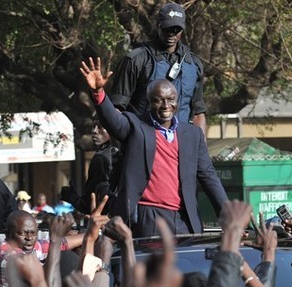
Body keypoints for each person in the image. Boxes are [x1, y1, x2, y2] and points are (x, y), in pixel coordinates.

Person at [80, 57, 228, 237]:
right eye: (159, 100)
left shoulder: (193, 135)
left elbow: (209, 177)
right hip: (147, 216)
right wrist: (98, 93)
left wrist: (229, 220)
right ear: (149, 103)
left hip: (184, 220)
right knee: (152, 265)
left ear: (177, 101)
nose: (166, 105)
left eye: (170, 99)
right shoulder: (135, 126)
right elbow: (114, 122)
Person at [109, 2, 208, 136]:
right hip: (146, 142)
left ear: (183, 30)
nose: (171, 34)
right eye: (167, 28)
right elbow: (116, 109)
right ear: (158, 25)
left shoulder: (194, 64)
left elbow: (198, 113)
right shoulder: (137, 59)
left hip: (181, 143)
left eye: (176, 29)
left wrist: (201, 151)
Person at [66, 117, 119, 215]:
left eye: (100, 127)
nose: (94, 131)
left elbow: (90, 202)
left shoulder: (101, 158)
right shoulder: (116, 152)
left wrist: (71, 197)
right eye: (93, 126)